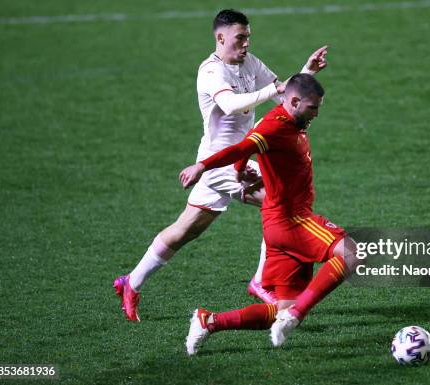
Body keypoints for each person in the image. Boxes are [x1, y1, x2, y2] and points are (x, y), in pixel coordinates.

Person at [113, 9, 329, 322]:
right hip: (219, 162)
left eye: (248, 38)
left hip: (234, 158)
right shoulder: (210, 72)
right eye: (240, 38)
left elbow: (284, 95)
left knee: (186, 229)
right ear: (220, 37)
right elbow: (230, 105)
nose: (245, 44)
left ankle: (130, 283)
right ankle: (261, 281)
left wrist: (306, 73)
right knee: (279, 208)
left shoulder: (250, 63)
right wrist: (273, 89)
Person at [180, 74, 364, 355]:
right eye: (313, 108)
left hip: (277, 227)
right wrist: (202, 167)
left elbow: (247, 146)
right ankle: (296, 315)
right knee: (350, 254)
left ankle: (209, 322)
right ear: (294, 101)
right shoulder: (274, 128)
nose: (317, 113)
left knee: (281, 309)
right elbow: (241, 147)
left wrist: (241, 170)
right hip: (292, 220)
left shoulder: (291, 121)